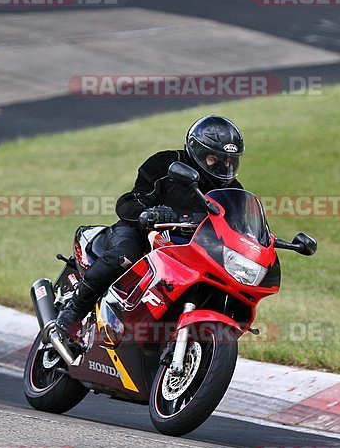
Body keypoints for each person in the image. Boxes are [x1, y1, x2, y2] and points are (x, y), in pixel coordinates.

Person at [55, 115, 245, 338]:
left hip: (188, 248)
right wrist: (148, 213)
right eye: (215, 159)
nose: (224, 166)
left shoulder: (234, 191)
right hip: (141, 232)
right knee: (123, 256)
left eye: (230, 161)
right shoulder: (164, 165)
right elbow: (128, 202)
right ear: (198, 152)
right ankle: (74, 309)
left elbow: (240, 225)